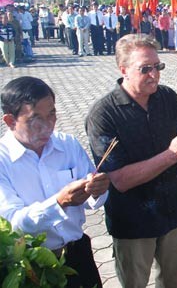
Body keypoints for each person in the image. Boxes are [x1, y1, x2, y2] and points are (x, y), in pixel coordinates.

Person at [85, 33, 177, 288]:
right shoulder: (103, 114)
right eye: (145, 69)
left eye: (158, 66)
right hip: (133, 220)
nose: (154, 75)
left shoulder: (167, 97)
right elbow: (120, 180)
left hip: (174, 213)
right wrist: (172, 154)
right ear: (123, 69)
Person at [0, 76, 110, 288]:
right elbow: (13, 223)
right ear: (10, 121)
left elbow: (92, 198)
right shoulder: (3, 161)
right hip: (29, 266)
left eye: (52, 115)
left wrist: (97, 190)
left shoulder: (66, 144)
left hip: (77, 254)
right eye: (35, 120)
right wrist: (59, 203)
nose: (47, 126)